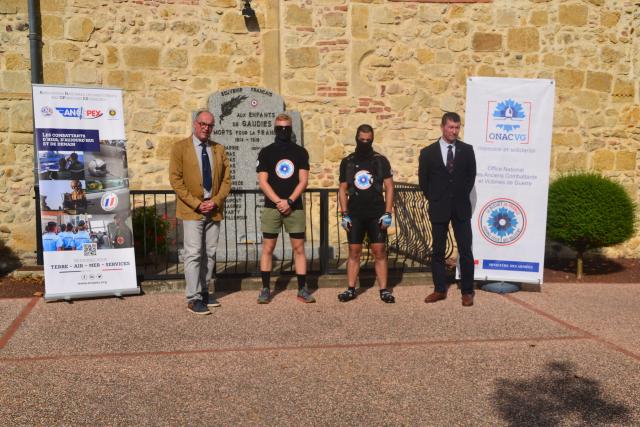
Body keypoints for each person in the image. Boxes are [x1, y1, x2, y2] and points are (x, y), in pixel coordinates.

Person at [169, 110, 231, 315]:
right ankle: (192, 297)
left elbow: (226, 181)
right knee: (194, 253)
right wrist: (197, 203)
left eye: (210, 125)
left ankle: (204, 292)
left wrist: (215, 201)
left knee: (210, 253)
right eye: (203, 124)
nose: (206, 128)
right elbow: (176, 181)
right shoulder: (180, 148)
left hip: (213, 209)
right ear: (195, 124)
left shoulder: (219, 149)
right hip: (191, 210)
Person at [418, 112, 477, 307]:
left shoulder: (467, 150)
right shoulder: (428, 153)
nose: (454, 131)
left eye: (457, 127)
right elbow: (424, 181)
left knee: (466, 250)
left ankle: (467, 291)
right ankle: (439, 289)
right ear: (442, 127)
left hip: (460, 207)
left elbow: (470, 177)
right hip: (439, 207)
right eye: (451, 127)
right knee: (438, 250)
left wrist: (459, 195)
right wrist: (435, 198)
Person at [256, 113, 315, 304]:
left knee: (299, 248)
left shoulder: (300, 152)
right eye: (280, 128)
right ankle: (265, 288)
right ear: (275, 129)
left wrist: (289, 201)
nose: (283, 131)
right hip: (272, 208)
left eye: (287, 128)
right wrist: (279, 202)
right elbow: (263, 182)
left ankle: (302, 289)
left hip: (294, 207)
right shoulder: (266, 152)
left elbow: (303, 180)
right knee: (268, 247)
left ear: (291, 129)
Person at [337, 124, 395, 303]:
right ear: (356, 138)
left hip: (376, 213)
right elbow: (342, 189)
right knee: (354, 251)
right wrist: (344, 213)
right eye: (362, 140)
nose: (364, 142)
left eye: (368, 140)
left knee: (379, 251)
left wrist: (388, 212)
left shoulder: (380, 160)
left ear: (372, 139)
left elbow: (390, 187)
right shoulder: (348, 162)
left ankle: (384, 290)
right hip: (355, 213)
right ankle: (351, 288)